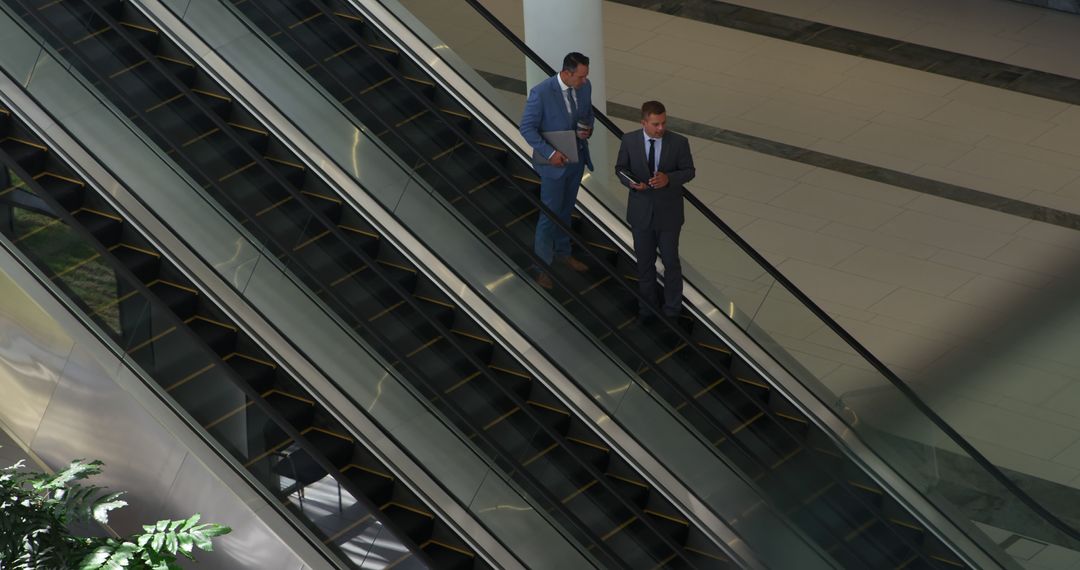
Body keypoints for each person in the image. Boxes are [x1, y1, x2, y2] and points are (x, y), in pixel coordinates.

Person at [520, 52, 595, 289]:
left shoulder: (584, 86)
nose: (584, 81)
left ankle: (563, 252)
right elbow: (527, 128)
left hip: (576, 160)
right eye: (580, 77)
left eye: (585, 76)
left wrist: (587, 129)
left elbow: (587, 115)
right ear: (567, 73)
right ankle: (542, 267)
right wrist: (551, 154)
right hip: (554, 165)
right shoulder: (541, 93)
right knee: (549, 215)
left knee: (566, 209)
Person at [614, 100, 695, 319]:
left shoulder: (678, 142)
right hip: (641, 214)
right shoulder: (630, 140)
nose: (661, 128)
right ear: (644, 122)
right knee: (644, 264)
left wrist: (668, 179)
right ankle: (646, 309)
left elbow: (689, 171)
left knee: (671, 263)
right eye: (656, 124)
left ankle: (672, 310)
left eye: (663, 123)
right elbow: (620, 168)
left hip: (669, 215)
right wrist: (631, 182)